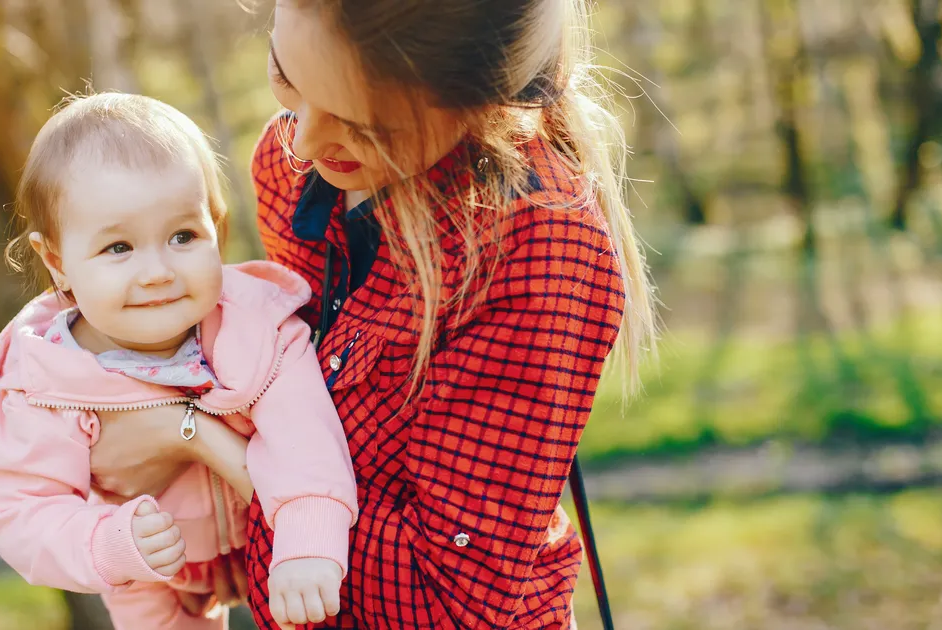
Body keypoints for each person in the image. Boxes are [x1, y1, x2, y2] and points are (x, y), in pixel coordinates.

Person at [88, 0, 659, 627]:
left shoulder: (535, 252)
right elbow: (283, 388)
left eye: (364, 126)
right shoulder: (293, 168)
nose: (300, 138)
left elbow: (443, 604)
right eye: (287, 77)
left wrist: (196, 441)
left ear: (478, 101)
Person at [0, 92, 358, 630]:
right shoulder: (45, 378)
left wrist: (308, 539)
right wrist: (108, 543)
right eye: (119, 248)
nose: (157, 272)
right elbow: (16, 506)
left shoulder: (255, 325)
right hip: (149, 570)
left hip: (271, 536)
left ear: (216, 232)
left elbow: (305, 436)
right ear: (57, 262)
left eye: (182, 236)